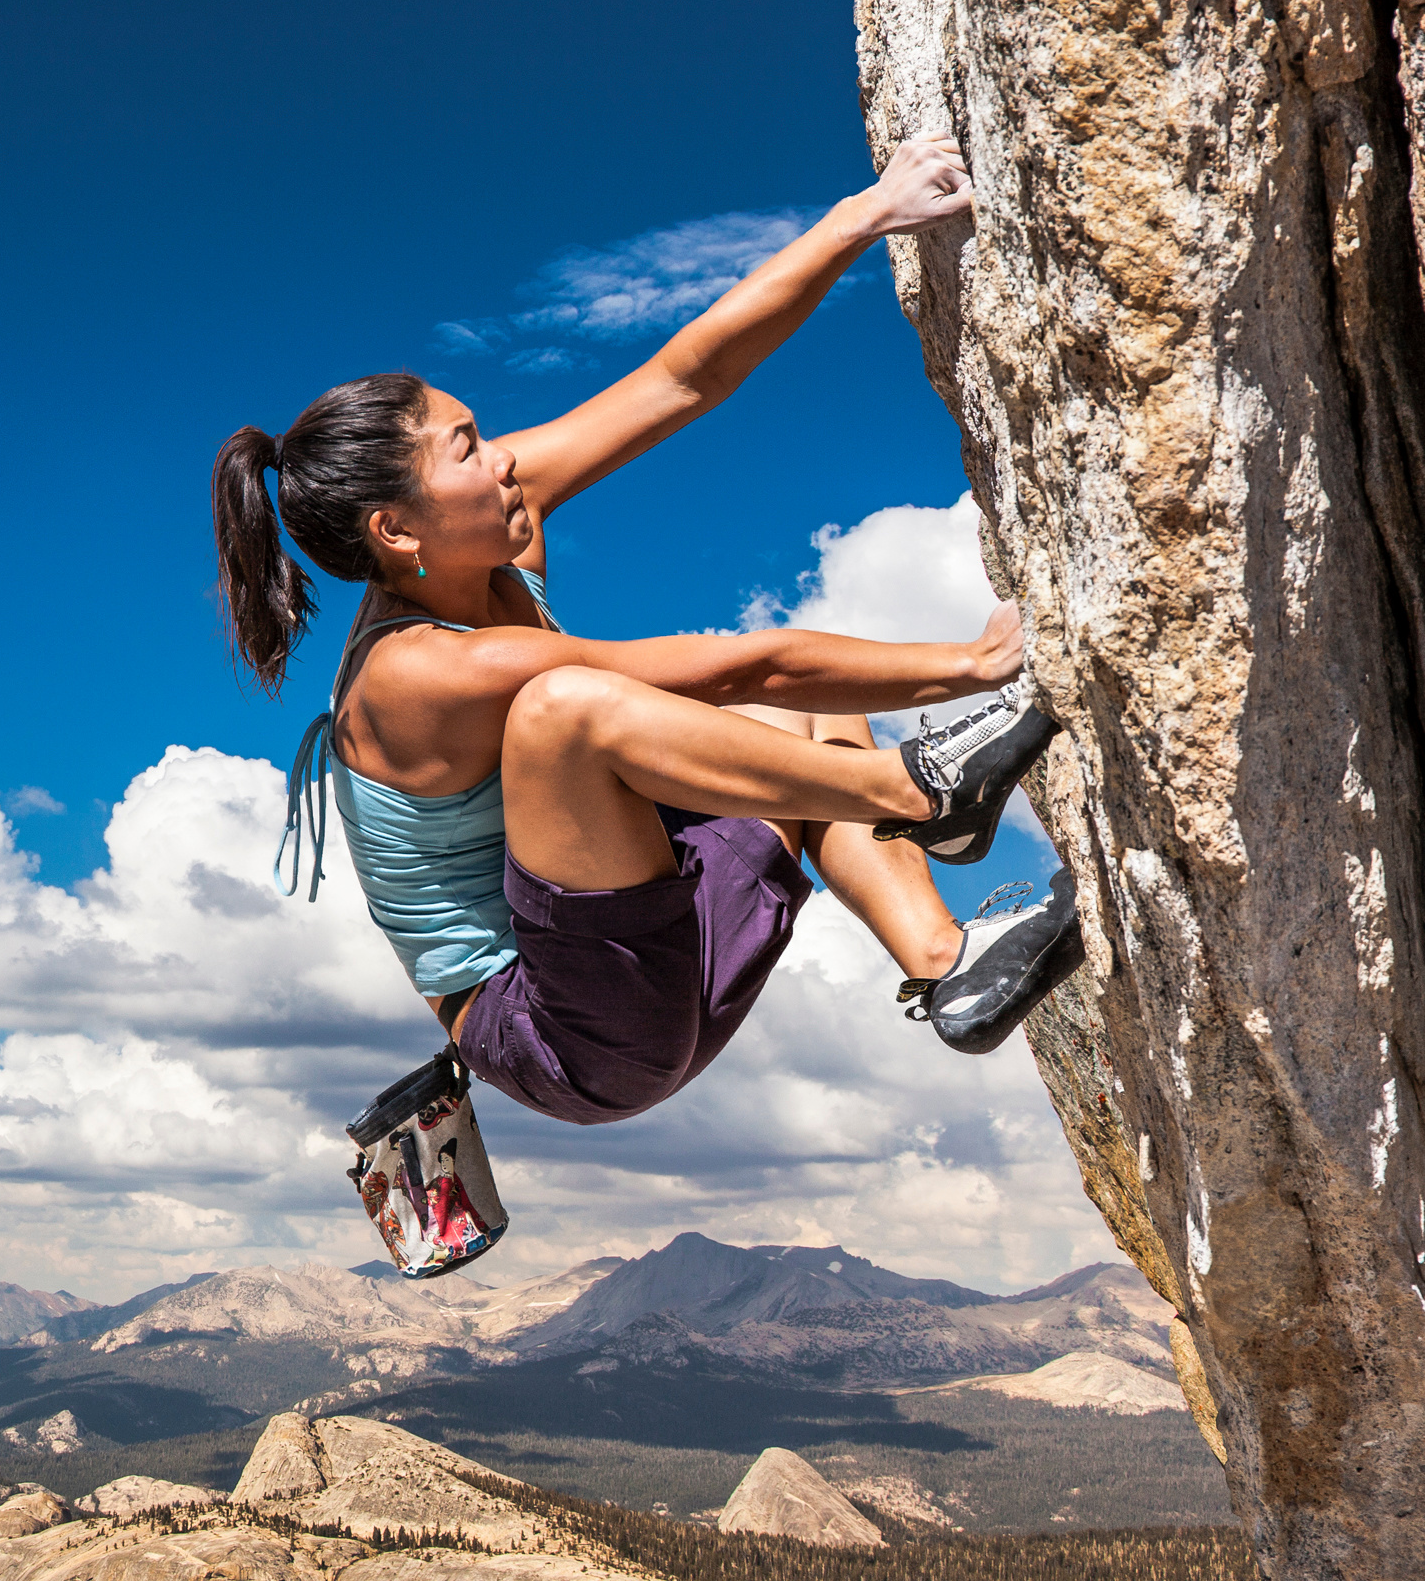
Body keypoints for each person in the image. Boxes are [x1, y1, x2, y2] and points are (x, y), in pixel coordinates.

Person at [212, 135, 1083, 1141]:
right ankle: (922, 795)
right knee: (567, 711)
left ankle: (950, 963)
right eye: (466, 451)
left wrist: (865, 214)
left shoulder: (489, 523)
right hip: (568, 1032)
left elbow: (684, 378)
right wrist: (975, 667)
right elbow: (731, 665)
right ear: (398, 530)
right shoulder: (414, 674)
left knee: (787, 716)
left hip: (650, 932)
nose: (500, 461)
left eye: (482, 433)